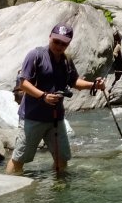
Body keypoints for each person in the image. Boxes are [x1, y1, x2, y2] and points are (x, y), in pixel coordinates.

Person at [6, 23, 104, 177]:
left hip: (56, 119)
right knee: (19, 159)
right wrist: (43, 96)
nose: (59, 45)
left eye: (63, 43)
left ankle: (58, 190)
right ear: (50, 37)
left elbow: (74, 82)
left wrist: (94, 85)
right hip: (33, 117)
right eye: (56, 41)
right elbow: (23, 83)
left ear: (68, 43)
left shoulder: (66, 60)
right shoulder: (35, 55)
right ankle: (7, 187)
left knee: (62, 159)